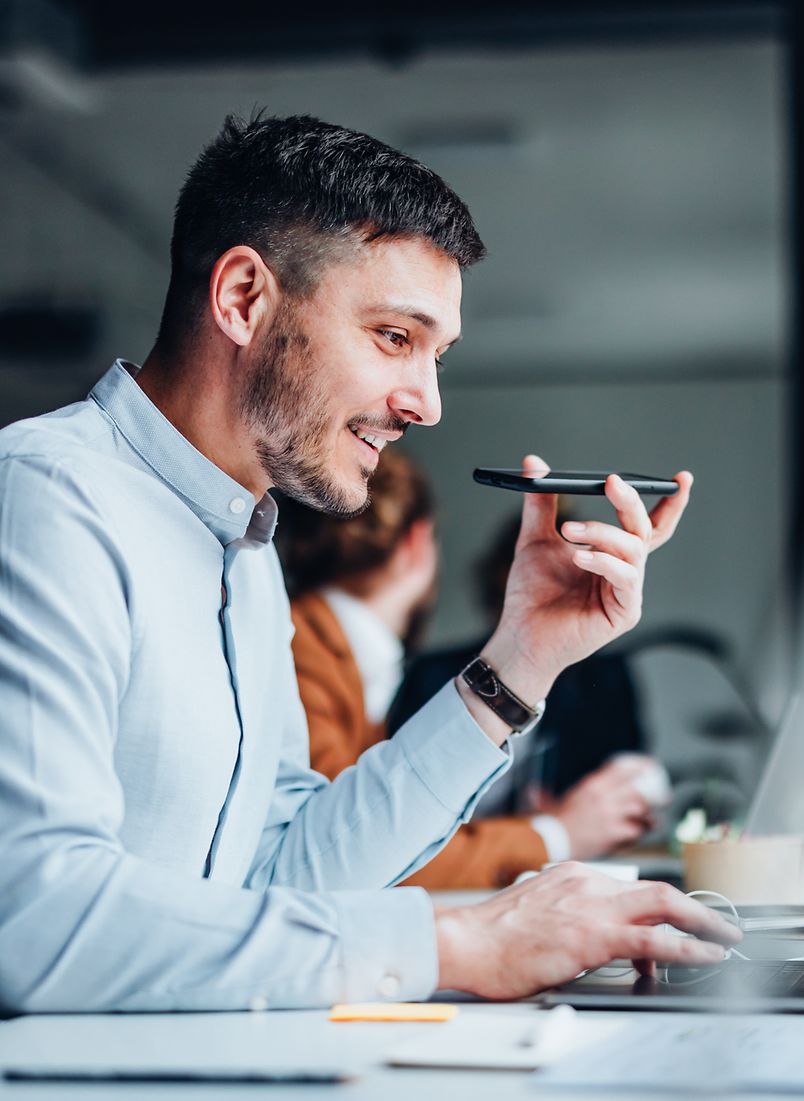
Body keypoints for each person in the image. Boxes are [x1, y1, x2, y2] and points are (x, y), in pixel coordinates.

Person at [0, 112, 737, 1014]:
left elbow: (283, 872)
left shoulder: (245, 551)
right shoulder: (45, 497)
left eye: (439, 355)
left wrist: (520, 660)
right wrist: (459, 941)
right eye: (395, 336)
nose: (426, 403)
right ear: (241, 297)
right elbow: (32, 917)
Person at [282, 450, 661, 886]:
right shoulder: (303, 650)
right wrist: (556, 835)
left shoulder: (350, 661)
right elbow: (350, 849)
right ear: (418, 543)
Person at [391, 511, 669, 862]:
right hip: (451, 862)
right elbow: (402, 800)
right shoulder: (432, 674)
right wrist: (544, 830)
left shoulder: (607, 679)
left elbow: (636, 775)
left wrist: (589, 809)